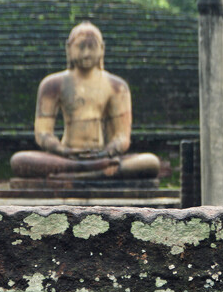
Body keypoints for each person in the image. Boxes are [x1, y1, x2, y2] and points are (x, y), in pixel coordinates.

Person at [10, 21, 160, 180]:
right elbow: (43, 133)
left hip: (102, 155)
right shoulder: (52, 84)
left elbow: (122, 136)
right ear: (69, 48)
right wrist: (62, 150)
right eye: (81, 47)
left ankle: (80, 172)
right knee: (19, 160)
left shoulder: (116, 86)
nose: (87, 53)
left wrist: (106, 152)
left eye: (92, 47)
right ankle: (93, 171)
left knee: (150, 162)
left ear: (102, 49)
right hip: (65, 156)